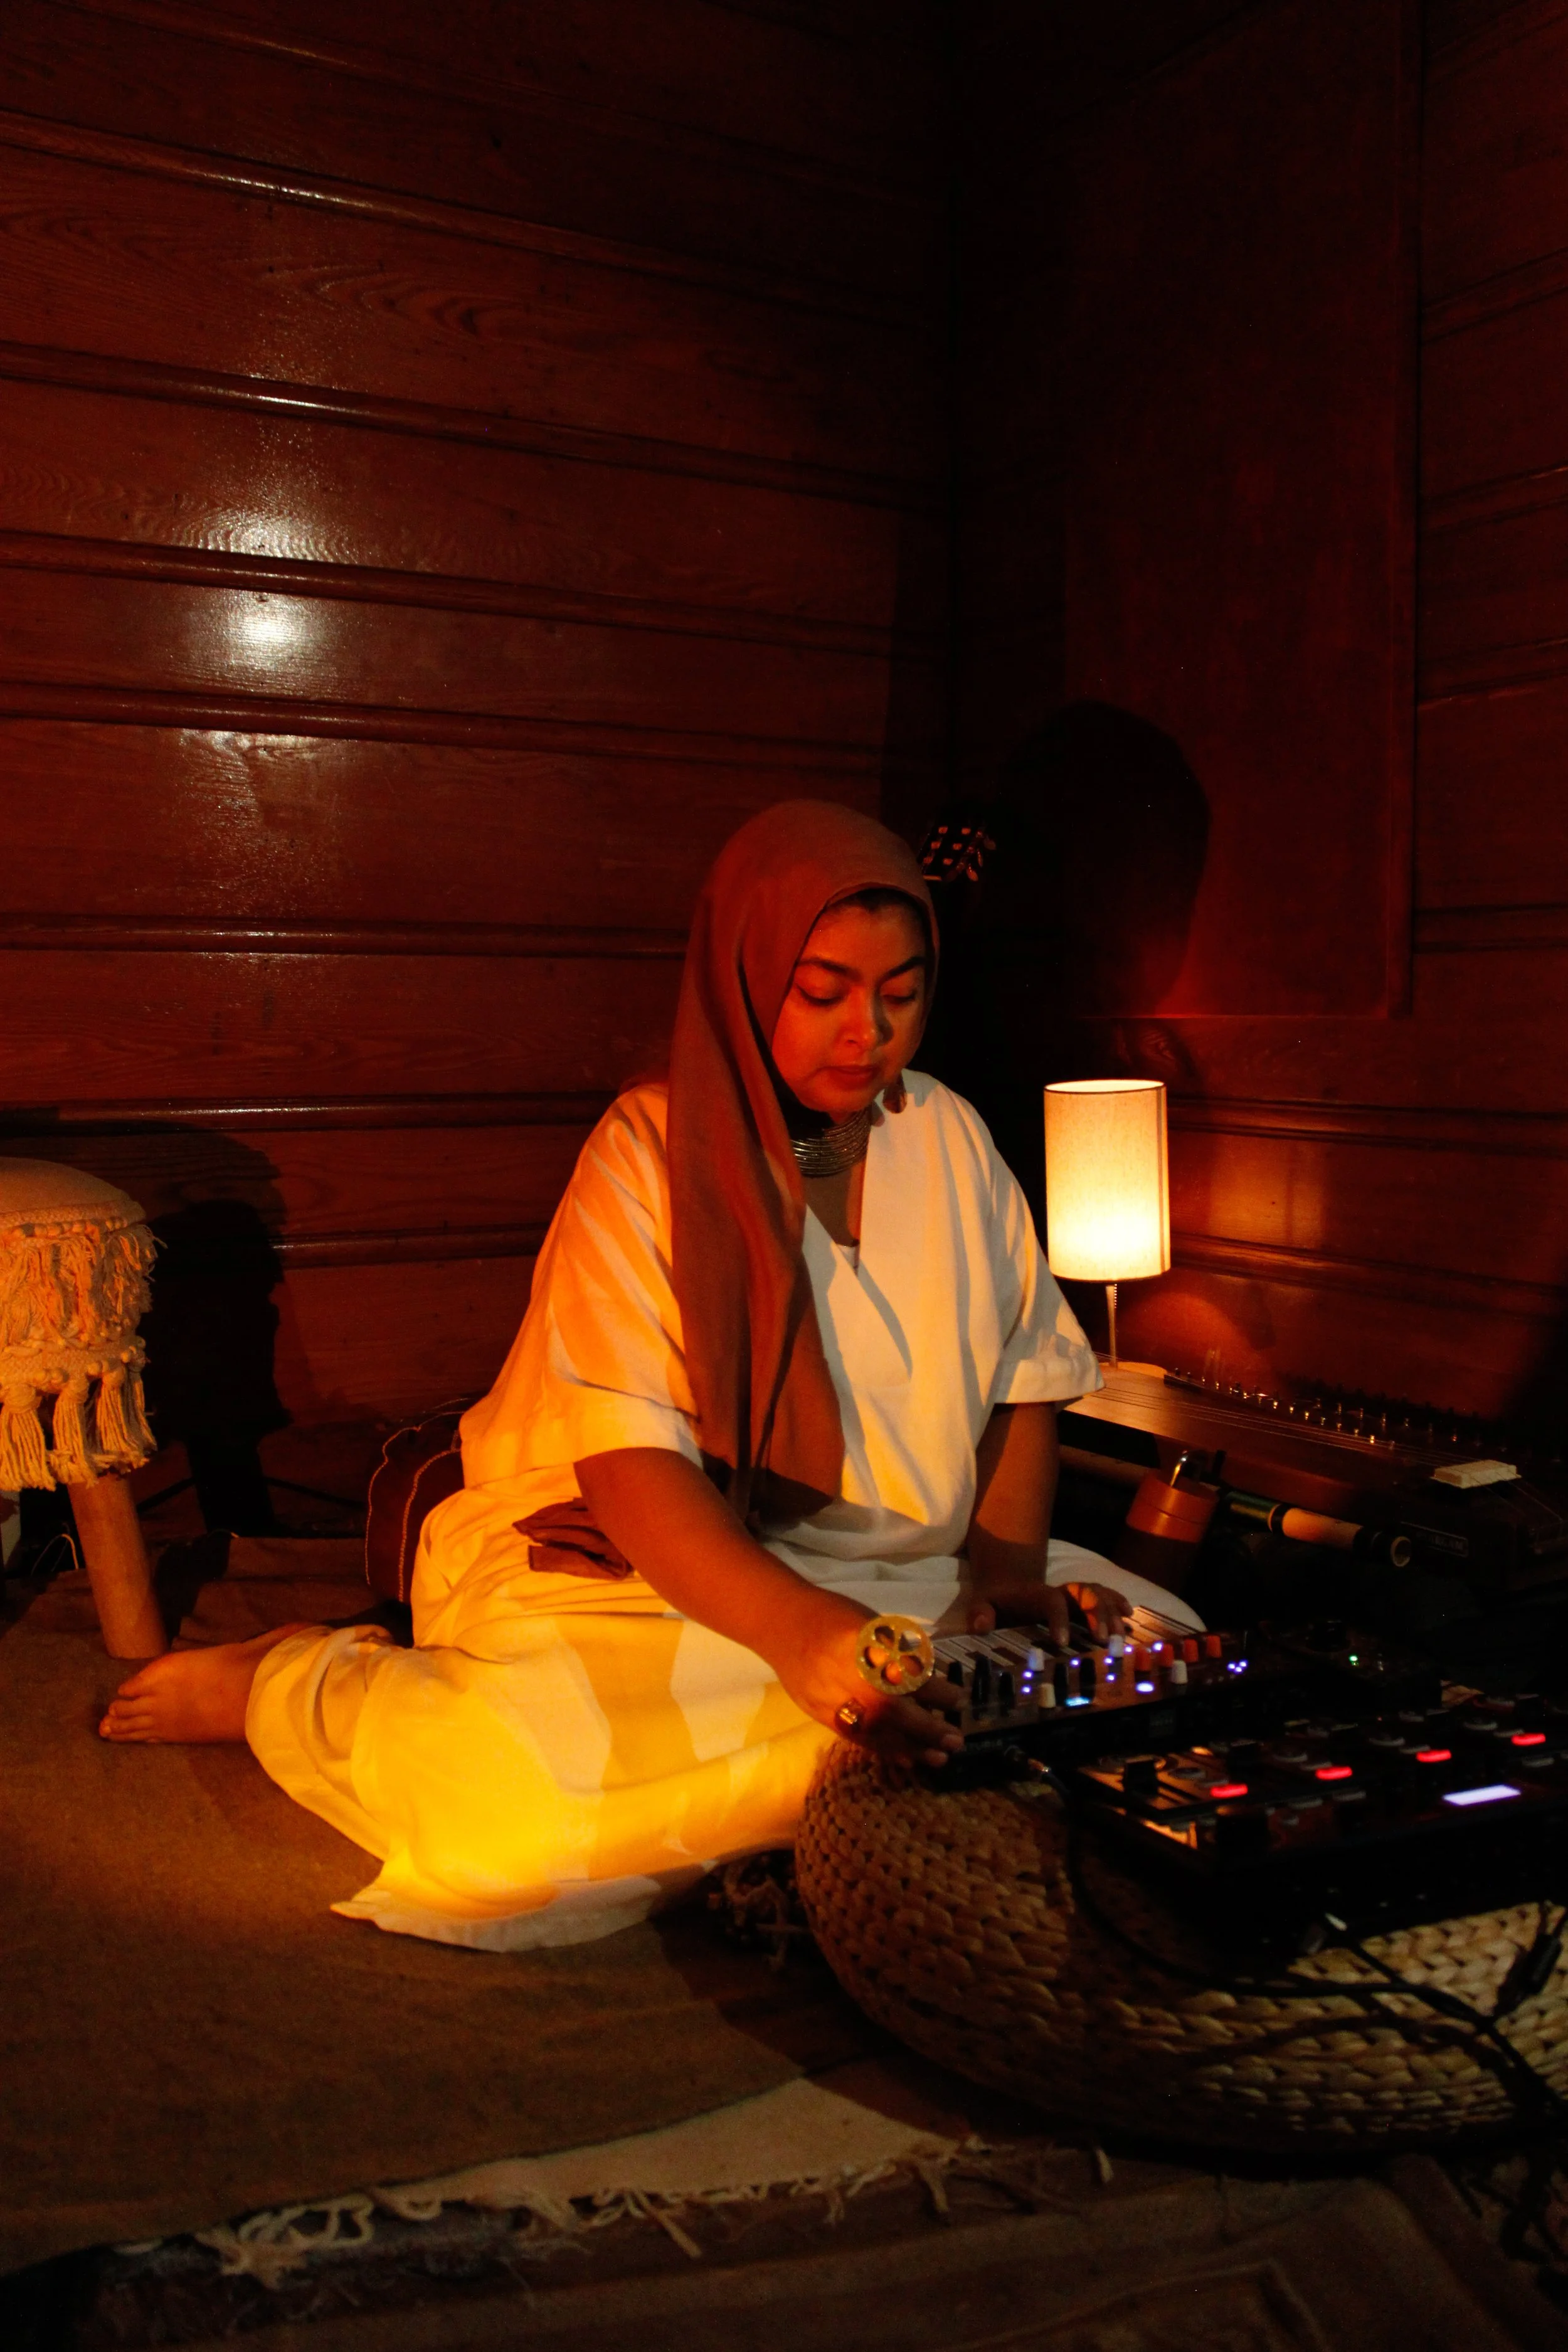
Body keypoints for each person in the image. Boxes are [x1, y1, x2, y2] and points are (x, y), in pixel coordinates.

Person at [100, 802, 1194, 1950]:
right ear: (743, 972)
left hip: (915, 1583)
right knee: (517, 1805)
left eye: (901, 992)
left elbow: (1028, 1373)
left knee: (1168, 1660)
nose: (866, 1031)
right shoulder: (647, 1148)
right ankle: (305, 1683)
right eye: (821, 991)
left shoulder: (954, 1137)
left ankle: (834, 1765)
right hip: (663, 1577)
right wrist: (803, 1638)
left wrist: (1009, 1573)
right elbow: (627, 1466)